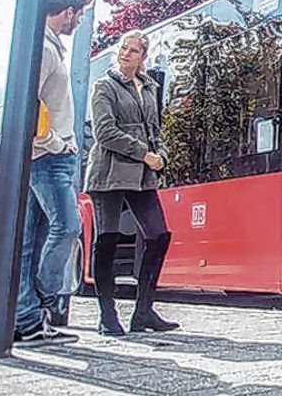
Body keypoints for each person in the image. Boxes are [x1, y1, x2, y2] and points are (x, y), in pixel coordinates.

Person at [14, 0, 92, 345]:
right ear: (67, 12)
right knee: (68, 228)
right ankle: (45, 297)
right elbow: (27, 104)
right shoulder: (45, 50)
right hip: (49, 157)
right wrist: (55, 144)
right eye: (78, 14)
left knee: (33, 237)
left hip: (44, 157)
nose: (78, 21)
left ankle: (26, 319)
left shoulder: (49, 48)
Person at [86, 30, 178, 335]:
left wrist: (161, 154)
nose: (125, 54)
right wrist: (144, 154)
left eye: (133, 50)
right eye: (123, 48)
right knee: (107, 241)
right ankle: (106, 315)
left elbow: (156, 131)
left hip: (142, 176)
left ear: (143, 57)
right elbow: (105, 132)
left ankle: (143, 312)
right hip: (109, 174)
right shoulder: (104, 86)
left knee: (159, 235)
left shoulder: (149, 87)